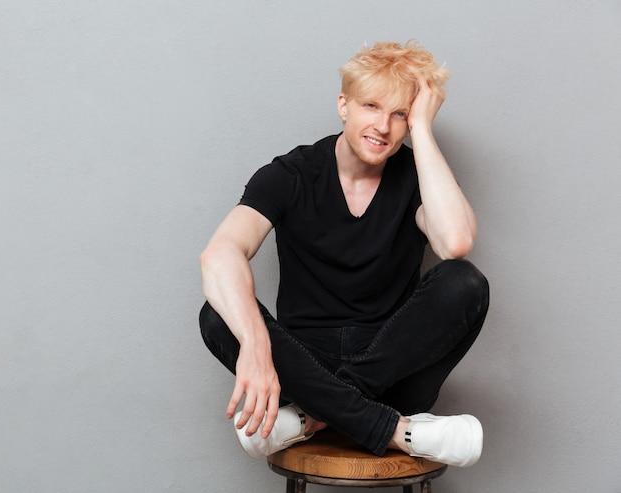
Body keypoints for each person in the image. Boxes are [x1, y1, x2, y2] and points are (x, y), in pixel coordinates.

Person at [199, 40, 490, 467]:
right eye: (371, 105)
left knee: (465, 282)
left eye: (400, 114)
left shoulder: (418, 177)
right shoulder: (291, 174)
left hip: (393, 372)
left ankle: (313, 418)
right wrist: (256, 344)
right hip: (303, 366)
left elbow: (456, 243)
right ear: (343, 105)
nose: (383, 126)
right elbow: (221, 253)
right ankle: (399, 431)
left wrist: (423, 131)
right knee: (218, 314)